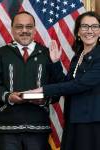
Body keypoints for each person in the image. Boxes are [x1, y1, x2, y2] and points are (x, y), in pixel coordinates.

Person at [0, 11, 64, 150]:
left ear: (35, 30)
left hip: (38, 127)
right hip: (8, 128)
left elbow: (58, 87)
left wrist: (44, 99)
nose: (24, 31)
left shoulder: (47, 54)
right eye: (19, 26)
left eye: (29, 27)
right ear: (12, 29)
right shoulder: (1, 54)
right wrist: (8, 96)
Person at [26, 11, 100, 150]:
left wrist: (44, 90)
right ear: (78, 32)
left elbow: (79, 85)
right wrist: (55, 63)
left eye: (94, 26)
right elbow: (67, 85)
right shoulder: (78, 57)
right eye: (84, 26)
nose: (89, 31)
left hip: (92, 123)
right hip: (74, 119)